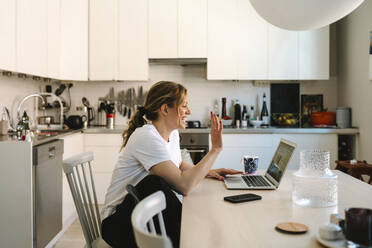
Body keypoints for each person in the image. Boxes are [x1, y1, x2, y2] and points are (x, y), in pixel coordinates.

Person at [101, 81, 242, 248]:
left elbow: (179, 164)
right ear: (165, 109)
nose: (188, 111)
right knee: (154, 183)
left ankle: (191, 235)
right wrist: (216, 149)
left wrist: (208, 172)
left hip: (144, 217)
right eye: (184, 106)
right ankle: (193, 235)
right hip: (118, 223)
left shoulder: (172, 134)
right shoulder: (146, 137)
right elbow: (184, 185)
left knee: (161, 188)